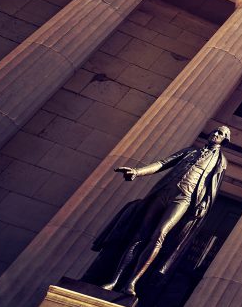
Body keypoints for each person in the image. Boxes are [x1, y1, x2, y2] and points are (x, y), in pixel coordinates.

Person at [90, 126, 230, 296]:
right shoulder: (190, 151)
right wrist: (137, 172)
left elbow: (213, 187)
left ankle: (131, 283)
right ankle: (114, 280)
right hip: (163, 193)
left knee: (160, 234)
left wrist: (203, 205)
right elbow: (162, 164)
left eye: (220, 134)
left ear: (225, 139)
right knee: (140, 235)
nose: (215, 134)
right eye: (215, 131)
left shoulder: (220, 161)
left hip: (183, 199)